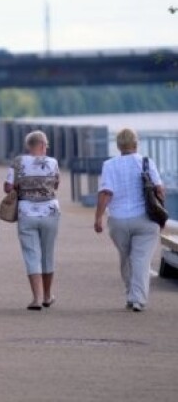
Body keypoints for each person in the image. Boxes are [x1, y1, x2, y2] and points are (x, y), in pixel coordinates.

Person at [94, 128, 165, 312]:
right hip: (145, 220)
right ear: (136, 143)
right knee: (140, 259)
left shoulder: (109, 165)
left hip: (118, 220)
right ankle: (137, 299)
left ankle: (131, 294)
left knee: (126, 258)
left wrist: (98, 218)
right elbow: (159, 189)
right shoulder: (146, 162)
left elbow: (106, 193)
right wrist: (161, 213)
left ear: (118, 146)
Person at [4, 130, 61, 311]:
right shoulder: (53, 163)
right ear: (43, 145)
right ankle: (47, 296)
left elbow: (7, 187)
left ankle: (36, 298)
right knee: (47, 253)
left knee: (32, 255)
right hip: (50, 212)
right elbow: (56, 184)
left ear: (29, 146)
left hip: (26, 212)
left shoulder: (18, 162)